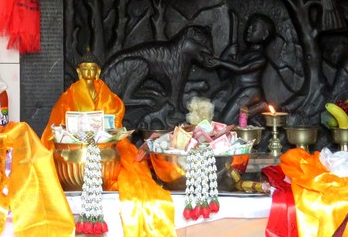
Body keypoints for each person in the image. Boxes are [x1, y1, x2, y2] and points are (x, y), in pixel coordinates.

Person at [41, 52, 176, 237]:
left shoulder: (106, 94)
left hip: (103, 147)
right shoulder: (68, 95)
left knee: (128, 164)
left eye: (92, 69)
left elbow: (115, 116)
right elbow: (57, 122)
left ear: (98, 72)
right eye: (85, 69)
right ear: (79, 72)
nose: (88, 72)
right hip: (75, 149)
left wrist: (105, 131)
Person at [207, 13, 273, 124]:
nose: (248, 30)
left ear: (264, 35)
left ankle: (260, 107)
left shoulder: (260, 57)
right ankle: (252, 118)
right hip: (235, 89)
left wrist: (220, 62)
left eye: (254, 28)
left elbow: (240, 68)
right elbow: (222, 75)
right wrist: (226, 54)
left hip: (249, 91)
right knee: (212, 108)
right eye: (248, 26)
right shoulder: (240, 54)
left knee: (227, 120)